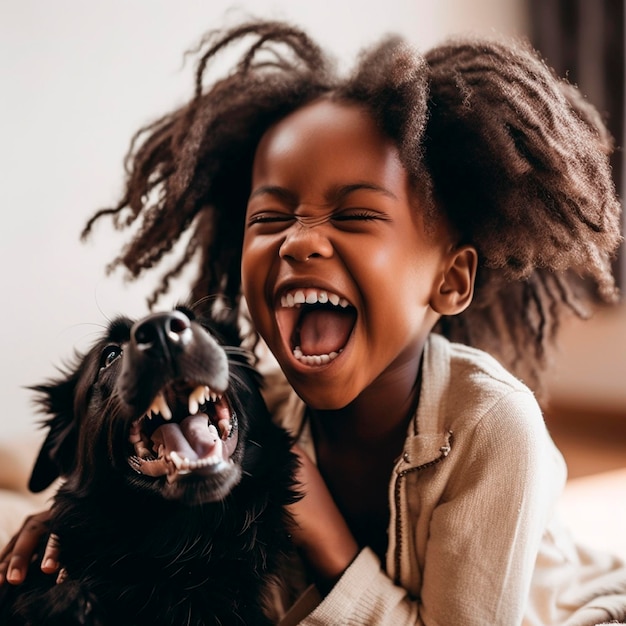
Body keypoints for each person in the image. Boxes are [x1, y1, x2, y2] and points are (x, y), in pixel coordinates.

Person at [1, 19, 625, 625]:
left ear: (451, 280)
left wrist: (331, 546)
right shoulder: (266, 409)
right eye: (269, 219)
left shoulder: (493, 428)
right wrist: (61, 518)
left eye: (355, 216)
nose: (299, 242)